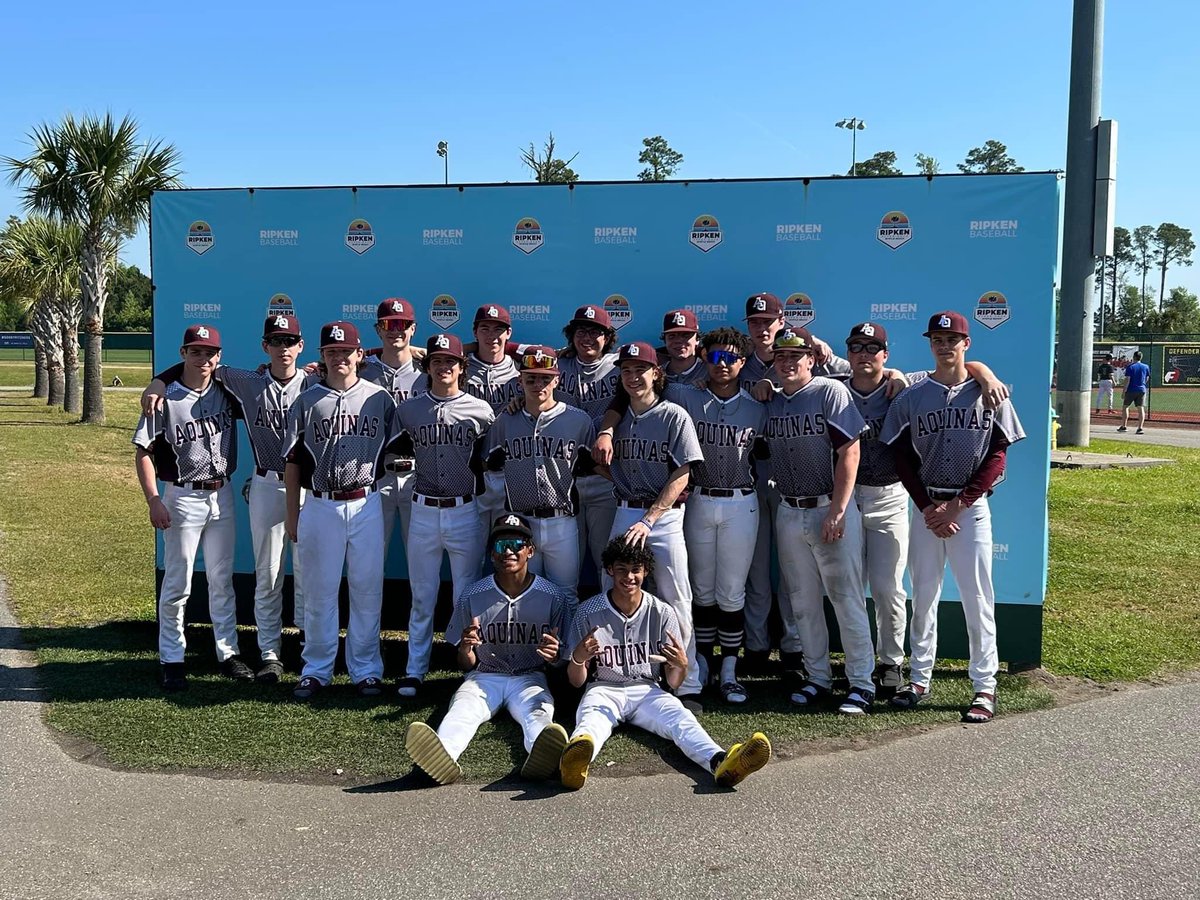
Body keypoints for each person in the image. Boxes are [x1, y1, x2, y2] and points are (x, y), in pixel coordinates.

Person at [141, 314, 311, 684]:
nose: (283, 348)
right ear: (265, 346)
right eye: (276, 341)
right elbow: (195, 371)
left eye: (290, 341)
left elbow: (360, 360)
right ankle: (258, 654)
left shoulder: (315, 380)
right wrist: (158, 379)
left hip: (282, 490)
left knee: (260, 578)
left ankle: (290, 651)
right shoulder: (244, 382)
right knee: (248, 576)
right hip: (223, 488)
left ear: (301, 345)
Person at [880, 311, 1025, 724]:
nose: (945, 346)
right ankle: (919, 679)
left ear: (967, 344)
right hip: (928, 509)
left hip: (970, 510)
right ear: (931, 345)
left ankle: (984, 686)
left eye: (952, 339)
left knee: (977, 600)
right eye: (937, 340)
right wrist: (928, 507)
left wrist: (958, 505)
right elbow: (902, 457)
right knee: (923, 596)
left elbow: (998, 456)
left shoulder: (990, 392)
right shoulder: (912, 394)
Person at [558, 537, 771, 790]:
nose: (629, 577)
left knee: (681, 718)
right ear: (609, 570)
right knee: (591, 724)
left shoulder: (662, 612)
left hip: (648, 689)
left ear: (645, 571)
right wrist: (579, 657)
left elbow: (673, 682)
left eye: (636, 569)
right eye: (622, 569)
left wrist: (680, 665)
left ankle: (721, 762)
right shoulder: (588, 611)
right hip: (603, 688)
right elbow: (575, 681)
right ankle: (572, 765)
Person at [761, 327, 877, 715]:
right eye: (781, 357)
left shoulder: (830, 391)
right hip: (789, 509)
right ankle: (817, 678)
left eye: (796, 356)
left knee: (846, 599)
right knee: (803, 603)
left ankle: (862, 682)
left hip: (828, 507)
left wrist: (839, 510)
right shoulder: (772, 401)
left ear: (812, 359)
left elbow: (851, 451)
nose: (788, 362)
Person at [405, 514, 569, 785]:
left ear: (530, 550)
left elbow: (561, 661)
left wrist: (554, 659)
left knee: (538, 714)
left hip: (529, 676)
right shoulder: (472, 594)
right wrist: (466, 649)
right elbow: (465, 663)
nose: (509, 552)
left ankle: (547, 755)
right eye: (500, 545)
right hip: (483, 677)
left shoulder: (553, 596)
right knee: (462, 710)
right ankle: (442, 755)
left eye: (517, 544)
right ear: (491, 555)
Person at [284, 321, 398, 699]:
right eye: (332, 352)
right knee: (319, 591)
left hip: (366, 500)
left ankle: (365, 669)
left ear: (359, 355)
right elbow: (294, 462)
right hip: (320, 503)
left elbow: (399, 449)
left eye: (346, 352)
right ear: (322, 356)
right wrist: (292, 512)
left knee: (367, 590)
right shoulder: (307, 400)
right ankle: (316, 668)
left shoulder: (380, 398)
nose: (339, 358)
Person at [133, 324, 246, 692]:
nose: (203, 359)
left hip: (222, 492)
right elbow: (143, 452)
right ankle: (172, 657)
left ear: (219, 356)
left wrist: (157, 379)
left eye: (210, 352)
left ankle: (228, 652)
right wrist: (153, 499)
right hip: (181, 496)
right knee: (178, 582)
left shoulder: (228, 391)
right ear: (183, 353)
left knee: (221, 579)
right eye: (195, 352)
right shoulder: (164, 398)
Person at [601, 340, 706, 709]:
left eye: (640, 370)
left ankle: (687, 679)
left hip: (663, 517)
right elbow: (598, 463)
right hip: (626, 509)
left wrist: (650, 519)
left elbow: (683, 473)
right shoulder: (614, 418)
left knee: (677, 597)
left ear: (656, 373)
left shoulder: (674, 415)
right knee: (611, 591)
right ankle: (616, 673)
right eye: (626, 371)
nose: (632, 377)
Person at [664, 327, 766, 703]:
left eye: (731, 358)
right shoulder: (683, 395)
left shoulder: (758, 404)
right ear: (703, 357)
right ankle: (703, 663)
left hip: (742, 501)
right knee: (702, 589)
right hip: (699, 500)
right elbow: (639, 377)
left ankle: (730, 669)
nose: (722, 365)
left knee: (731, 591)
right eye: (715, 357)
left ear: (743, 362)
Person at [395, 332, 496, 697]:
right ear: (428, 367)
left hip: (464, 509)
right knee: (422, 595)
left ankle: (464, 667)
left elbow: (493, 454)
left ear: (461, 367)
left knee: (464, 597)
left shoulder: (481, 409)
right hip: (422, 509)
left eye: (450, 362)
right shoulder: (409, 410)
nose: (444, 368)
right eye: (437, 361)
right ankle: (415, 669)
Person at [484, 345, 594, 621]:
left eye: (545, 378)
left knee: (566, 593)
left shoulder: (578, 420)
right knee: (522, 592)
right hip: (521, 522)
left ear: (557, 379)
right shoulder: (505, 421)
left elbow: (593, 466)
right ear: (519, 381)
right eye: (531, 378)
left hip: (562, 521)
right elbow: (489, 462)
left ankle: (565, 658)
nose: (538, 385)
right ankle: (529, 657)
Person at [554, 304, 622, 577]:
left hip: (604, 478)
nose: (588, 338)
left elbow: (667, 356)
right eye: (581, 331)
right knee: (564, 567)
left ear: (608, 337)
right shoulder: (557, 363)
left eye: (596, 332)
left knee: (606, 560)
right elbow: (511, 350)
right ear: (571, 335)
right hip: (563, 478)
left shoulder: (620, 366)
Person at [360, 298, 426, 553]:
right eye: (388, 323)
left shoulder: (431, 370)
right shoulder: (360, 370)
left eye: (402, 324)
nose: (395, 329)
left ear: (413, 328)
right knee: (372, 555)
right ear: (378, 329)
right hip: (377, 473)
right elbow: (331, 359)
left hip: (418, 474)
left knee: (421, 558)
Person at [466, 304, 523, 534]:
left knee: (508, 546)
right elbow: (415, 353)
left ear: (508, 334)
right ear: (475, 332)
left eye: (498, 330)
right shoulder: (458, 366)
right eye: (485, 329)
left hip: (510, 472)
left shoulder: (523, 370)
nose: (492, 336)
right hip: (472, 473)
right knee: (472, 552)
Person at [658, 308, 706, 384]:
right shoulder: (656, 375)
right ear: (665, 340)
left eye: (686, 335)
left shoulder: (710, 371)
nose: (679, 341)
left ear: (697, 339)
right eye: (672, 336)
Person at [1119, 350, 1150, 434]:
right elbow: (1147, 378)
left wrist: (1124, 391)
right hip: (1142, 389)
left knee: (1125, 407)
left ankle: (1124, 426)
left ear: (1134, 357)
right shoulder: (1146, 366)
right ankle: (1140, 428)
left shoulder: (1130, 367)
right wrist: (1142, 384)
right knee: (1140, 408)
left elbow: (1127, 379)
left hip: (1131, 390)